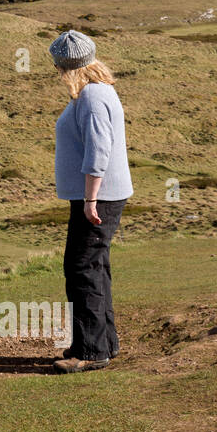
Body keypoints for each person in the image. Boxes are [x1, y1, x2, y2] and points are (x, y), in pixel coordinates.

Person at [48, 30, 132, 374]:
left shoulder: (92, 98)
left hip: (99, 197)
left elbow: (99, 150)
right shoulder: (97, 92)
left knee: (82, 270)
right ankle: (101, 343)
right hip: (97, 194)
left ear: (67, 68)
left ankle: (92, 352)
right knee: (93, 268)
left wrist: (90, 199)